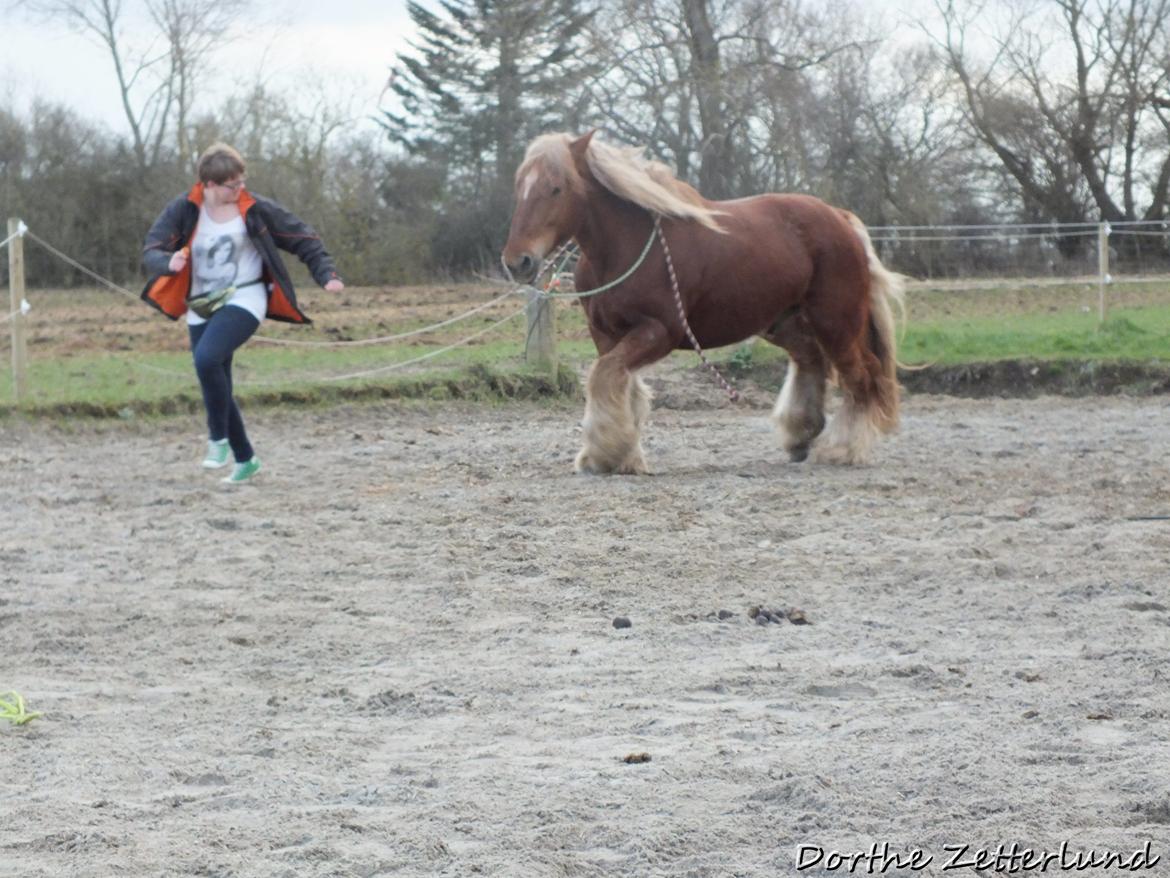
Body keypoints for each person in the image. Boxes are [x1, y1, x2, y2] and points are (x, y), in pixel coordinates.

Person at [141, 143, 344, 484]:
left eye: (241, 182)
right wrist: (168, 262)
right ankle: (245, 458)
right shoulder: (184, 209)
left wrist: (327, 274)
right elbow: (152, 248)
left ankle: (217, 439)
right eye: (230, 185)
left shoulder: (254, 208)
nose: (239, 190)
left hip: (246, 296)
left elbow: (303, 237)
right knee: (216, 379)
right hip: (202, 303)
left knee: (206, 360)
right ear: (208, 184)